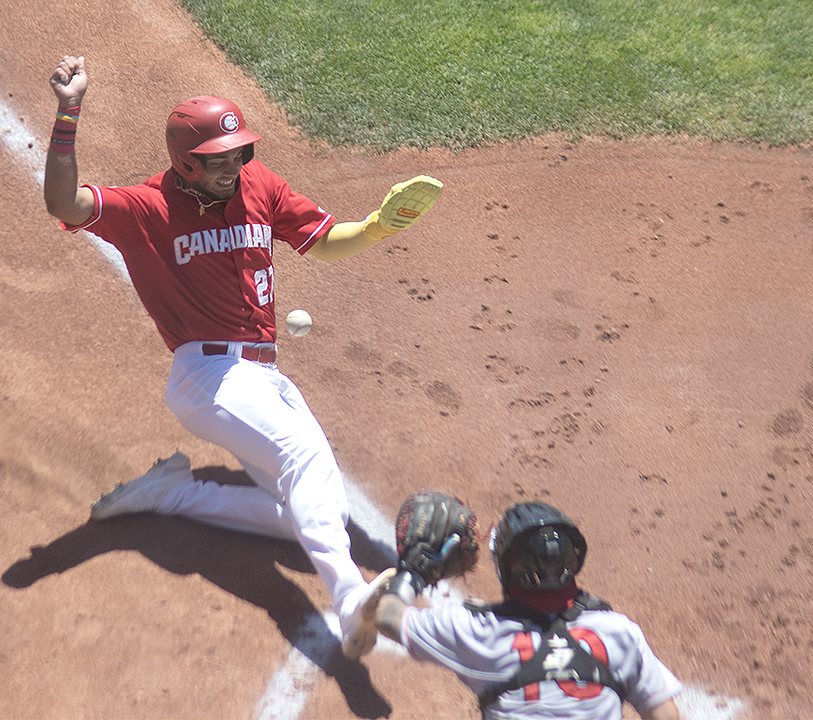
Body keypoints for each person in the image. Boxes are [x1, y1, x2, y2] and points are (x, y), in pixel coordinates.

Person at [43, 55, 442, 660]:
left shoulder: (259, 185)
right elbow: (64, 203)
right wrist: (69, 112)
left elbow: (322, 242)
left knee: (321, 510)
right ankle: (350, 599)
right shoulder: (146, 207)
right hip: (207, 375)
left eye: (239, 153)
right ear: (186, 161)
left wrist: (376, 227)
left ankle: (172, 495)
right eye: (219, 158)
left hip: (262, 375)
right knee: (304, 457)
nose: (234, 166)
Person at [374, 500, 683, 719]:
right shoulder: (619, 632)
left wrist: (412, 573)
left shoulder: (480, 632)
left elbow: (388, 617)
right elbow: (665, 715)